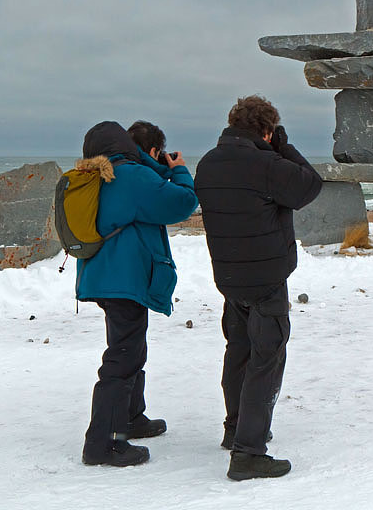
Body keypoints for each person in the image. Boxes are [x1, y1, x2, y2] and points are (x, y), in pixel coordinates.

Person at [195, 95, 322, 481]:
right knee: (266, 359)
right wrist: (284, 148)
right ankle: (249, 452)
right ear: (266, 130)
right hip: (266, 278)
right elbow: (309, 185)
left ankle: (236, 429)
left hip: (229, 277)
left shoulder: (208, 164)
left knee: (239, 353)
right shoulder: (266, 163)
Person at [77, 121, 198, 467]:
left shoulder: (97, 176)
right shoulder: (128, 175)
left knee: (130, 346)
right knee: (123, 356)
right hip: (124, 278)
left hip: (103, 275)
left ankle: (131, 418)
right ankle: (103, 443)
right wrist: (180, 171)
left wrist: (155, 164)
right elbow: (182, 202)